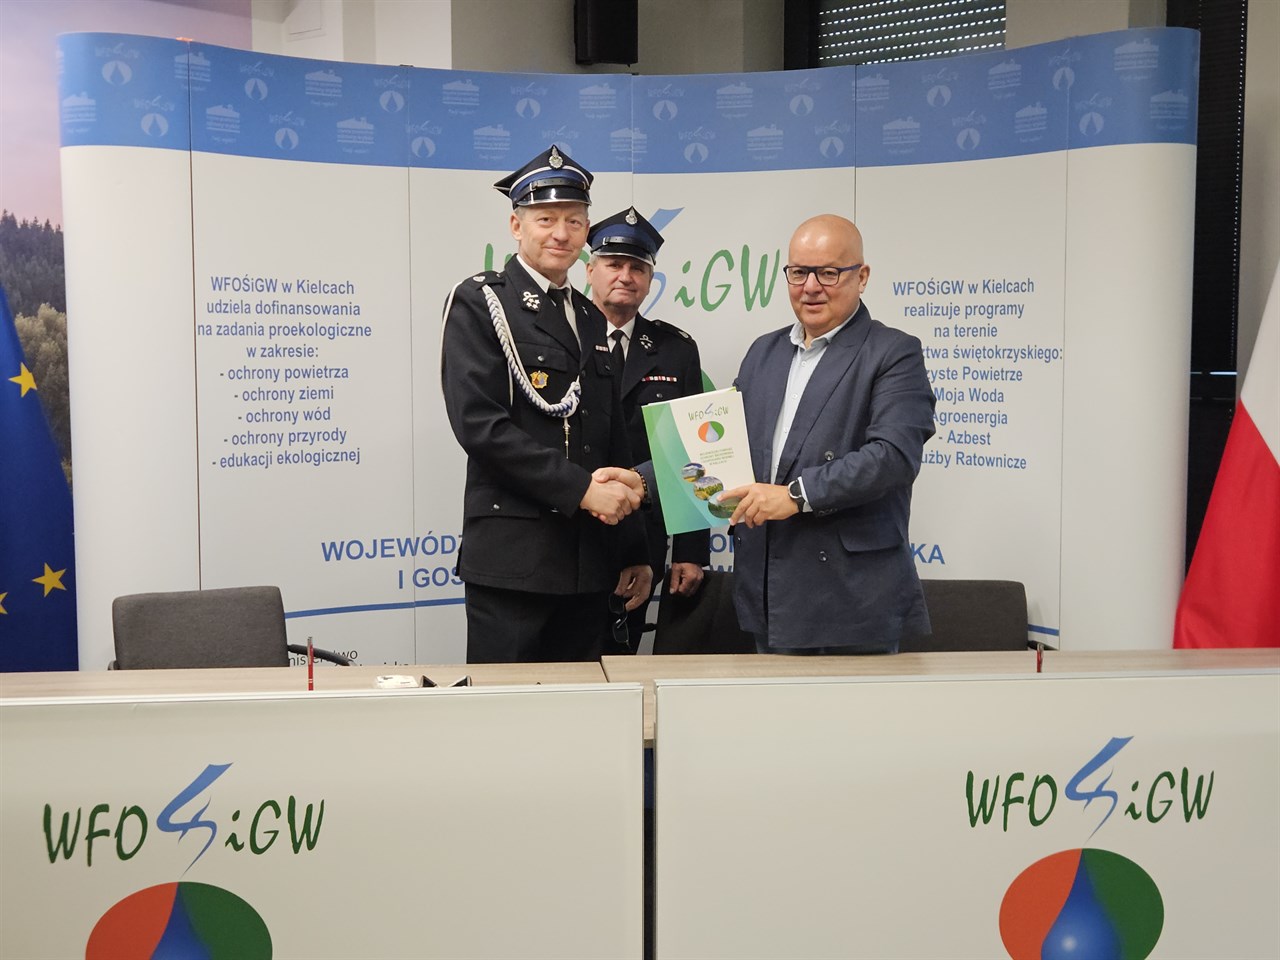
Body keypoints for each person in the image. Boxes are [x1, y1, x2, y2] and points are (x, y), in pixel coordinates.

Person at [440, 145, 652, 663]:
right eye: (546, 219)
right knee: (506, 708)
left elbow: (611, 436)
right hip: (515, 562)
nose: (561, 233)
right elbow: (481, 427)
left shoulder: (589, 314)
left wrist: (633, 549)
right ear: (517, 225)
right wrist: (582, 490)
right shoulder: (482, 301)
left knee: (580, 707)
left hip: (590, 562)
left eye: (574, 221)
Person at [719, 214, 936, 654]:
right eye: (799, 272)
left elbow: (893, 456)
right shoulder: (763, 352)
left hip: (850, 602)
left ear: (862, 277)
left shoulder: (894, 352)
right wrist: (644, 481)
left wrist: (795, 496)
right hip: (768, 594)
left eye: (829, 273)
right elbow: (723, 445)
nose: (811, 287)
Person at [584, 207, 710, 651]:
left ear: (651, 279)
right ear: (590, 271)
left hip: (644, 541)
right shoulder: (560, 340)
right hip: (570, 539)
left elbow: (693, 454)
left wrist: (690, 552)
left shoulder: (676, 350)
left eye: (637, 268)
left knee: (624, 663)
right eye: (613, 264)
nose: (625, 276)